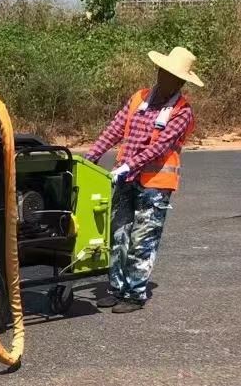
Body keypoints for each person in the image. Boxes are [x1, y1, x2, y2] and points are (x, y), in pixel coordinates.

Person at [85, 45, 202, 312]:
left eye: (173, 77)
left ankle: (134, 293)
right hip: (126, 179)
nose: (166, 80)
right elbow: (114, 129)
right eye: (164, 73)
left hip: (156, 183)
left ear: (181, 82)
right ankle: (116, 288)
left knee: (143, 236)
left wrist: (128, 166)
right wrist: (91, 157)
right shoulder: (139, 98)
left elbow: (159, 147)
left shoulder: (182, 111)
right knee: (118, 232)